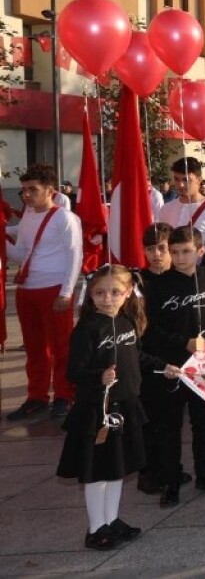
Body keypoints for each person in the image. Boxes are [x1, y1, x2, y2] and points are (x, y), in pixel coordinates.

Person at [58, 265, 181, 550]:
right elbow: (73, 372)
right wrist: (97, 377)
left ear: (127, 293)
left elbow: (136, 356)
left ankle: (112, 521)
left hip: (126, 406)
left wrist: (164, 367)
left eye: (115, 292)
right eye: (100, 293)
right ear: (90, 295)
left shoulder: (126, 323)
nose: (107, 298)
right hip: (98, 412)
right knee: (97, 473)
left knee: (118, 470)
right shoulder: (86, 330)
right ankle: (95, 528)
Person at [139, 226, 205, 506]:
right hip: (171, 366)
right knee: (169, 426)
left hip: (202, 365)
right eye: (174, 252)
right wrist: (182, 343)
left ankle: (204, 472)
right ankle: (171, 481)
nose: (179, 257)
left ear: (200, 251)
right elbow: (149, 331)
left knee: (202, 421)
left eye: (186, 251)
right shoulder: (158, 286)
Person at [6, 163, 83, 421]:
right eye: (24, 190)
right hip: (27, 289)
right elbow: (21, 255)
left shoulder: (65, 218)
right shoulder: (28, 216)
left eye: (33, 189)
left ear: (50, 190)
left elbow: (76, 256)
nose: (26, 195)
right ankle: (36, 397)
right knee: (35, 348)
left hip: (54, 290)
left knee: (62, 346)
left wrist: (66, 292)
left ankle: (64, 395)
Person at [158, 157, 205, 243]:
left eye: (186, 180)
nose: (181, 185)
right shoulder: (166, 209)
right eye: (177, 179)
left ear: (199, 180)